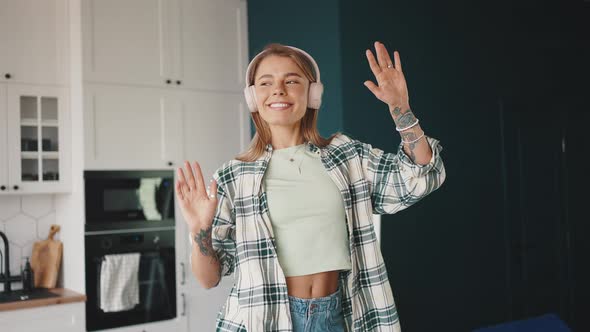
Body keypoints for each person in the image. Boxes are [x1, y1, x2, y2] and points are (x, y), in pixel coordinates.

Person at [175, 42, 446, 332]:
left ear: (312, 93)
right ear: (253, 97)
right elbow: (209, 279)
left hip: (338, 315)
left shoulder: (347, 156)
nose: (278, 90)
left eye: (291, 81)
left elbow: (419, 178)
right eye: (266, 83)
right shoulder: (232, 177)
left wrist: (400, 109)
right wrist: (199, 231)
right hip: (263, 320)